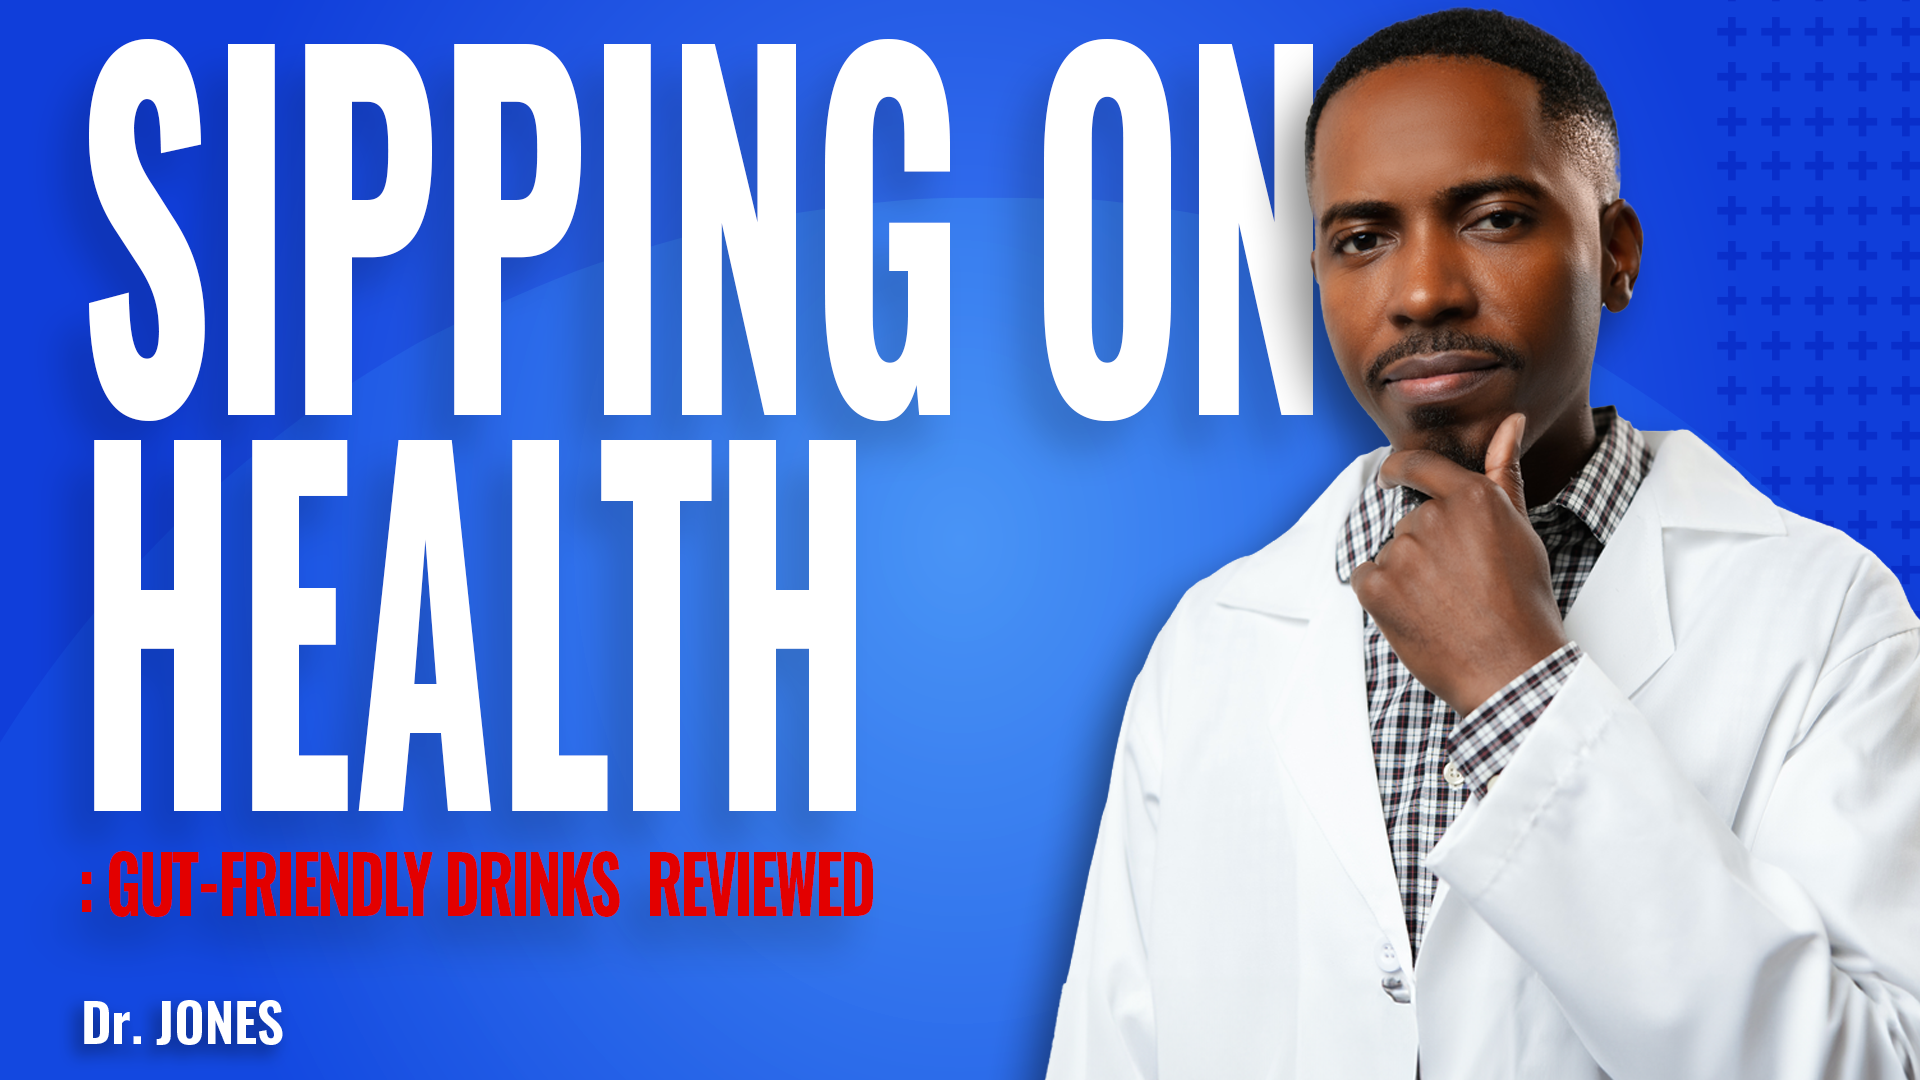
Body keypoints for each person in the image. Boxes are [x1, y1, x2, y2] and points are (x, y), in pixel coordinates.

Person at [1045, 9, 1920, 1079]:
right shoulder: (1214, 640)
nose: (1421, 293)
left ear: (1617, 254)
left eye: (1495, 219)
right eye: (1361, 239)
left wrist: (1522, 687)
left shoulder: (1827, 616)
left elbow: (1873, 1062)